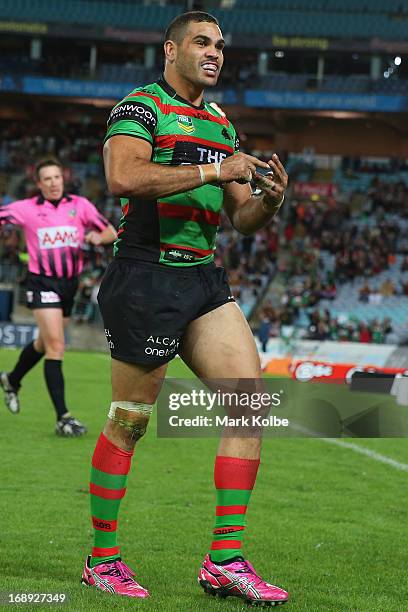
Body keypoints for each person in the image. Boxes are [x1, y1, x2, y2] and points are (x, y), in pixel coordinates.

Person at [81, 11, 289, 606]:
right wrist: (211, 168)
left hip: (201, 278)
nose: (215, 52)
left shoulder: (221, 121)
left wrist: (271, 201)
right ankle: (103, 560)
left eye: (220, 45)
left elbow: (241, 217)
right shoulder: (141, 107)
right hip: (144, 275)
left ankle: (224, 560)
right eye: (202, 42)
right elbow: (122, 177)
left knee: (249, 405)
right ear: (171, 50)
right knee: (130, 420)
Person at [0, 159, 117, 436]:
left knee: (44, 343)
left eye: (56, 177)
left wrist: (96, 238)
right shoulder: (26, 209)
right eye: (47, 179)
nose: (53, 183)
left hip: (69, 285)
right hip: (41, 283)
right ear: (39, 184)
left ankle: (11, 379)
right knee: (56, 346)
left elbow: (110, 231)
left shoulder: (80, 205)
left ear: (63, 179)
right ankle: (63, 417)